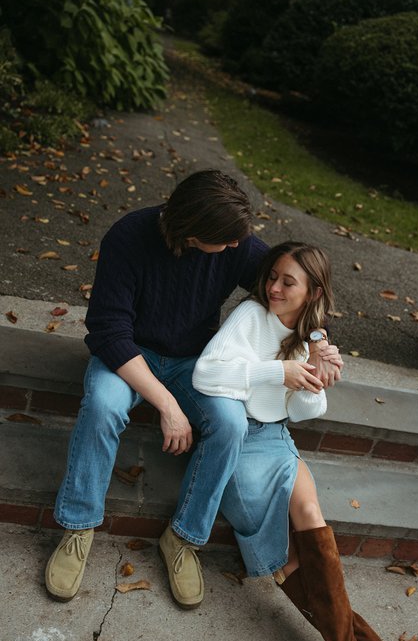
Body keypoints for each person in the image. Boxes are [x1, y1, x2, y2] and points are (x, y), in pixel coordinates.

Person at [44, 170, 336, 606]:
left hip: (192, 364)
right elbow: (107, 330)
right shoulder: (129, 237)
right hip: (130, 356)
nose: (239, 247)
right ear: (194, 232)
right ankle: (77, 527)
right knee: (104, 405)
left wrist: (318, 342)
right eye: (228, 240)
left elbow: (296, 284)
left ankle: (183, 539)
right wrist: (166, 405)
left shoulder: (231, 241)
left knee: (230, 423)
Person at [192, 242, 418, 641]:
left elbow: (302, 413)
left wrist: (317, 376)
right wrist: (279, 370)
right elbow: (206, 373)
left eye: (287, 282)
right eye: (272, 276)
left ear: (312, 290)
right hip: (240, 444)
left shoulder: (312, 336)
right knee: (292, 563)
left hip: (275, 439)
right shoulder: (250, 316)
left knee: (313, 519)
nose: (273, 287)